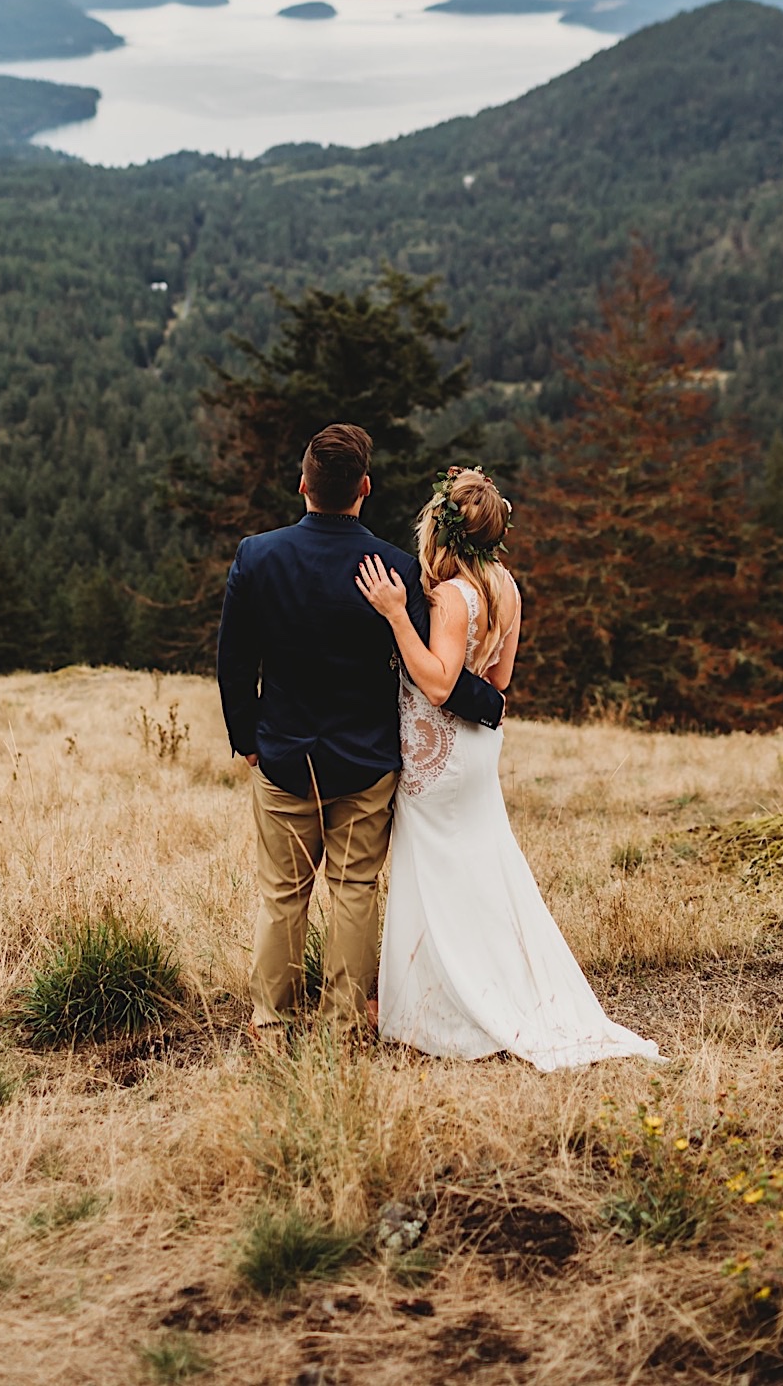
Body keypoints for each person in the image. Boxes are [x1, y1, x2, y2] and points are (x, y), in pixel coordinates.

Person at [356, 465, 659, 1072]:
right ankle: (485, 982)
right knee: (481, 869)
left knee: (434, 872)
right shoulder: (505, 587)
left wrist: (394, 615)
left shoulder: (447, 596)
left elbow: (441, 684)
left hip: (434, 755)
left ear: (440, 530)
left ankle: (439, 1005)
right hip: (476, 752)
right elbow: (498, 683)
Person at [216, 424, 504, 1036]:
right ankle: (342, 1027)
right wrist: (492, 703)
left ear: (303, 486)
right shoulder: (395, 571)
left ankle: (271, 1024)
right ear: (364, 489)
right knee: (353, 890)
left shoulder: (257, 556)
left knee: (282, 895)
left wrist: (247, 739)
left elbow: (234, 660)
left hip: (284, 755)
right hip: (367, 761)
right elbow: (434, 667)